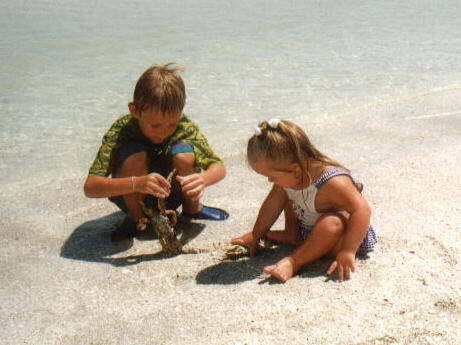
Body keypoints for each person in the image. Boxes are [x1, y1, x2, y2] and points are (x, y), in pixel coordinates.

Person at [84, 63, 228, 242]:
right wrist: (136, 183)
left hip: (171, 195)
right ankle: (136, 218)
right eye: (155, 125)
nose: (163, 131)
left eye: (172, 124)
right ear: (134, 111)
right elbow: (90, 187)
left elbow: (218, 167)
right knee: (133, 153)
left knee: (184, 153)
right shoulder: (122, 129)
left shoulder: (184, 125)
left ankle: (193, 209)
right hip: (131, 193)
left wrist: (202, 180)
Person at [231, 118, 377, 282]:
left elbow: (362, 210)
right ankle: (292, 234)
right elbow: (271, 206)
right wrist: (255, 234)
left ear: (295, 169)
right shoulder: (292, 176)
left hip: (342, 238)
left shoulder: (332, 182)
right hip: (310, 230)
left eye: (271, 176)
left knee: (331, 222)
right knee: (283, 193)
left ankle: (295, 261)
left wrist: (348, 250)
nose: (269, 181)